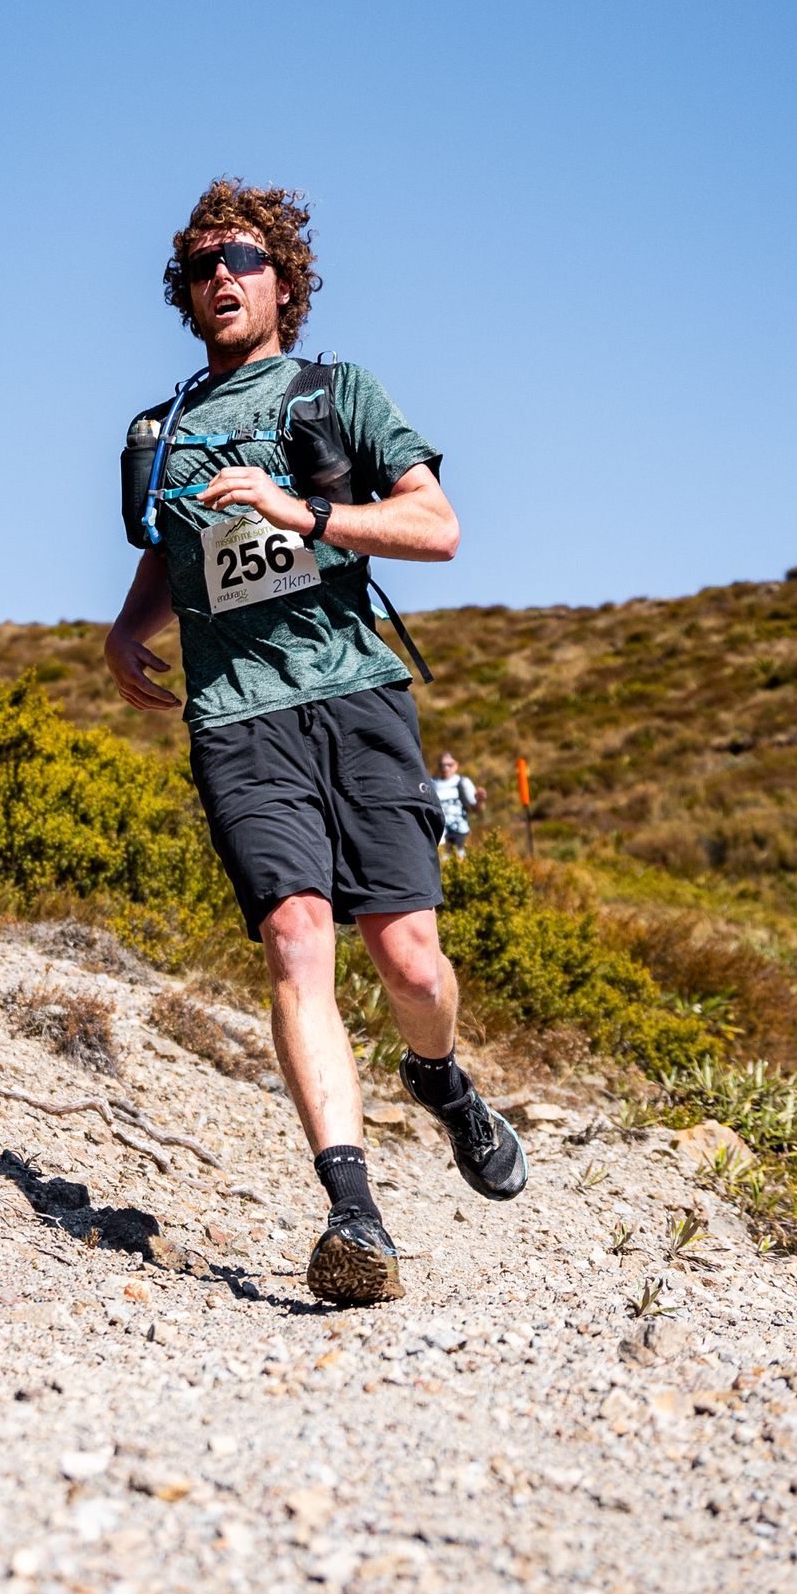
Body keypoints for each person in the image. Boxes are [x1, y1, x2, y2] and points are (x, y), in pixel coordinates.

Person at [105, 179, 527, 1307]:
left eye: (240, 258)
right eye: (201, 268)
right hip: (235, 713)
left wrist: (311, 515)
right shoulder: (159, 433)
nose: (221, 279)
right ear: (186, 296)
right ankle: (354, 1215)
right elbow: (170, 554)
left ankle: (440, 1078)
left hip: (356, 697)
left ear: (283, 280)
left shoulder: (338, 394)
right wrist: (126, 631)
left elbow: (436, 527)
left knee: (410, 962)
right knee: (296, 938)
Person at [433, 752, 483, 857]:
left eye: (449, 765)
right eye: (442, 765)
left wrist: (480, 800)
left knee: (460, 861)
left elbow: (475, 809)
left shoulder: (463, 782)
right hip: (440, 834)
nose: (446, 768)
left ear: (456, 765)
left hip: (460, 832)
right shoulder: (433, 784)